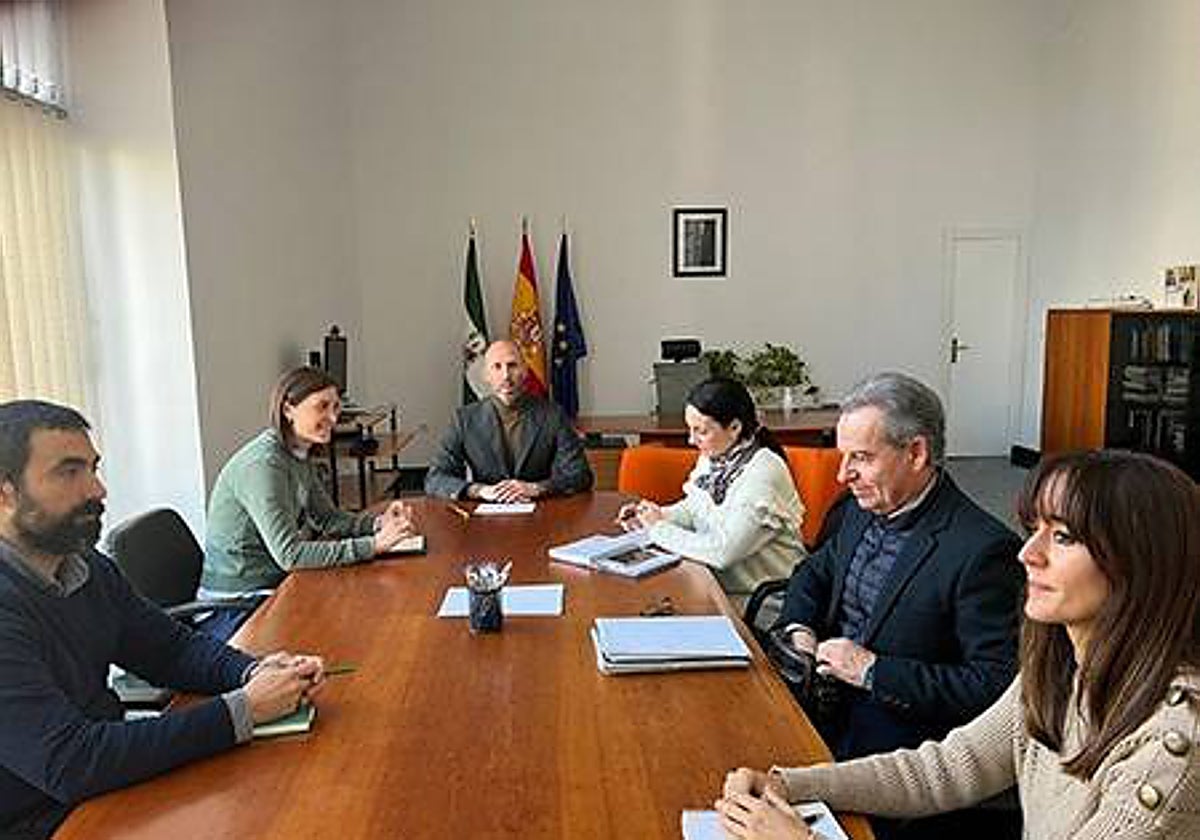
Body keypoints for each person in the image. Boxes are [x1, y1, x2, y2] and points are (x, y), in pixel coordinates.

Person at [717, 450, 1200, 840]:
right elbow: (945, 769)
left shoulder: (1174, 744)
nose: (1028, 554)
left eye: (1065, 537)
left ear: (1142, 565)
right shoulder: (1060, 669)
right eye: (1034, 529)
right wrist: (790, 783)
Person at [0, 400, 327, 839]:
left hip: (103, 790)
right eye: (68, 471)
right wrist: (242, 709)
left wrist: (252, 670)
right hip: (40, 818)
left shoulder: (87, 566)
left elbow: (169, 648)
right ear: (4, 494)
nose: (98, 490)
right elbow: (70, 762)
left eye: (93, 468)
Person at [771, 372, 1022, 767]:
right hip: (820, 697)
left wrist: (873, 671)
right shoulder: (858, 507)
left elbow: (994, 687)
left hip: (898, 742)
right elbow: (813, 572)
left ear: (917, 453)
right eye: (843, 457)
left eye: (862, 458)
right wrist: (799, 628)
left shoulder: (984, 551)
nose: (842, 475)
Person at [200, 367, 416, 639]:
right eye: (322, 407)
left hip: (275, 585)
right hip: (238, 604)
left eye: (336, 407)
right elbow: (290, 555)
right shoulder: (264, 465)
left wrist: (378, 524)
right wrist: (374, 545)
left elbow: (328, 518)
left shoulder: (298, 453)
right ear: (288, 409)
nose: (333, 417)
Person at [616, 377, 805, 603]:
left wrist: (658, 529)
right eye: (690, 429)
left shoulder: (763, 473)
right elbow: (695, 508)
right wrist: (652, 516)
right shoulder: (716, 458)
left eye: (701, 431)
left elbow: (722, 552)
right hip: (715, 586)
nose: (691, 440)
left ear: (735, 427)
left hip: (758, 604)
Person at [424, 339, 593, 501]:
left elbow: (580, 475)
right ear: (486, 375)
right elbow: (436, 478)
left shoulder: (553, 415)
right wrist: (479, 491)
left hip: (540, 510)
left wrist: (537, 488)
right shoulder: (464, 419)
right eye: (497, 367)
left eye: (512, 365)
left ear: (525, 370)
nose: (506, 376)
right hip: (486, 513)